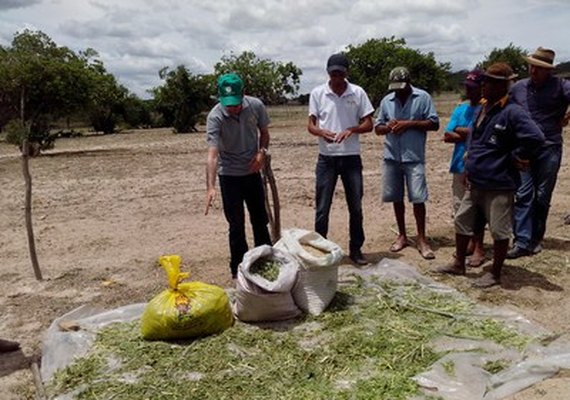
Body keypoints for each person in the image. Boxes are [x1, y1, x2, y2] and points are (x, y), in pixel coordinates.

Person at [437, 63, 545, 288]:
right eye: (484, 81)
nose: (483, 85)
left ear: (501, 86)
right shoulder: (482, 109)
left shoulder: (513, 112)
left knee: (498, 229)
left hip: (499, 183)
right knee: (463, 221)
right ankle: (459, 263)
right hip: (475, 179)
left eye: (488, 82)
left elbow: (536, 138)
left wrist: (518, 155)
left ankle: (495, 273)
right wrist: (468, 167)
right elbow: (473, 140)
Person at [308, 53, 374, 265]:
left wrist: (351, 130)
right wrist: (321, 132)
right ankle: (321, 249)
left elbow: (369, 124)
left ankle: (356, 249)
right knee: (322, 207)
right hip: (326, 158)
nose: (336, 78)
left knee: (355, 206)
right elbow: (310, 125)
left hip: (351, 158)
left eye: (340, 73)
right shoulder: (318, 93)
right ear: (328, 72)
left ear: (346, 73)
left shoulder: (357, 92)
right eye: (333, 73)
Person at [205, 73, 272, 279]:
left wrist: (261, 153)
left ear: (243, 94)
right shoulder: (215, 117)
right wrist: (211, 187)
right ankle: (239, 268)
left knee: (260, 219)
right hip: (229, 176)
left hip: (252, 172)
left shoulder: (256, 106)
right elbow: (212, 155)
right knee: (236, 224)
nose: (232, 108)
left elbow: (265, 133)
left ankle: (267, 262)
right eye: (228, 104)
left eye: (235, 103)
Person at [506, 47, 570, 259]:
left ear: (549, 70)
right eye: (532, 66)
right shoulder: (518, 88)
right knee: (523, 193)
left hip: (549, 147)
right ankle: (521, 241)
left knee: (542, 196)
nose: (533, 71)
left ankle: (536, 238)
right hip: (523, 148)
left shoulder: (561, 86)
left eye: (539, 68)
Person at [374, 67, 440, 259]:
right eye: (395, 88)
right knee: (396, 197)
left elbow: (434, 124)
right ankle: (402, 235)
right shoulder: (387, 101)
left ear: (409, 83)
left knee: (418, 198)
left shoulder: (423, 97)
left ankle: (422, 239)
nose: (398, 91)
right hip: (392, 157)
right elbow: (378, 128)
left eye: (401, 87)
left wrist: (409, 124)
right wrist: (388, 127)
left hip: (414, 157)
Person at [443, 69, 486, 267]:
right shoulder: (461, 109)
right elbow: (447, 135)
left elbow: (484, 135)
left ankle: (479, 247)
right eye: (466, 87)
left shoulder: (487, 110)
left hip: (479, 166)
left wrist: (463, 132)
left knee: (477, 207)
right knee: (459, 206)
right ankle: (466, 244)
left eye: (472, 87)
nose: (468, 90)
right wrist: (470, 133)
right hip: (459, 164)